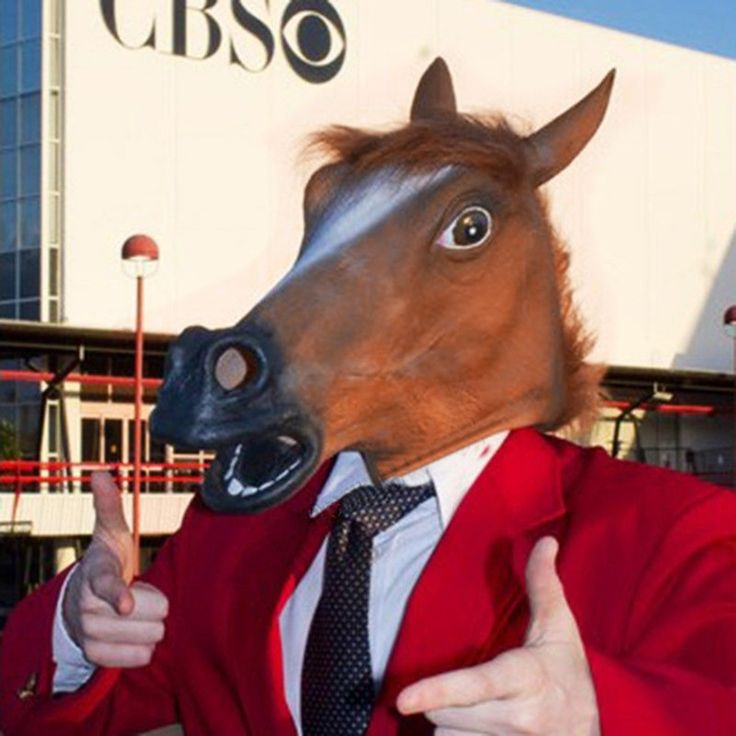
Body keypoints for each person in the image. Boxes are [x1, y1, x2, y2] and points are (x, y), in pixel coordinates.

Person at [2, 59, 736, 736]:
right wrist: (77, 625)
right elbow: (56, 710)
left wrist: (604, 716)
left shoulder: (674, 536)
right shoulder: (227, 537)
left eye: (466, 230)